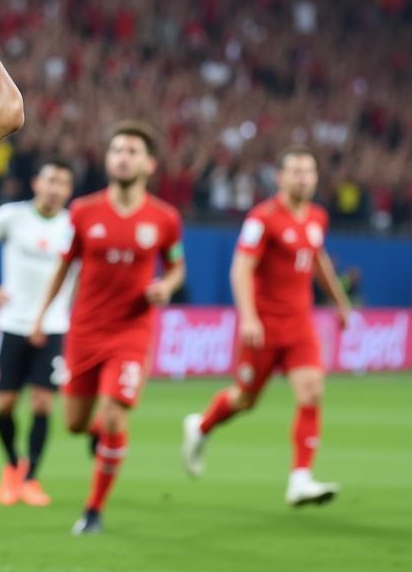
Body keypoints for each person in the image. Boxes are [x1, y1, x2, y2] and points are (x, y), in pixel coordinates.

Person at [30, 121, 185, 536]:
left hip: (132, 333)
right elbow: (65, 264)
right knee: (76, 424)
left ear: (149, 164)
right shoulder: (83, 211)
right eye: (117, 150)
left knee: (115, 416)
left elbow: (176, 266)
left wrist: (165, 287)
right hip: (84, 330)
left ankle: (93, 511)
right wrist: (42, 316)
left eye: (132, 151)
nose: (123, 157)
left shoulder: (165, 219)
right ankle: (97, 433)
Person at [182, 147, 352, 507]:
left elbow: (317, 260)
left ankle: (300, 479)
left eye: (309, 171)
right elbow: (241, 268)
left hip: (299, 325)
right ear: (280, 177)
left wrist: (339, 301)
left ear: (316, 178)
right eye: (295, 171)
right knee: (245, 399)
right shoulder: (263, 217)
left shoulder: (317, 217)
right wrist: (249, 316)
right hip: (263, 327)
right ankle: (200, 427)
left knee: (312, 391)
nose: (303, 178)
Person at [0, 160, 74, 507]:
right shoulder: (12, 216)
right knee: (5, 405)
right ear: (38, 183)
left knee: (43, 402)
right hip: (13, 322)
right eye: (51, 180)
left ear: (69, 191)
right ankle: (12, 465)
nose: (56, 188)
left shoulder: (73, 227)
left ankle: (31, 478)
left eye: (63, 184)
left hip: (53, 325)